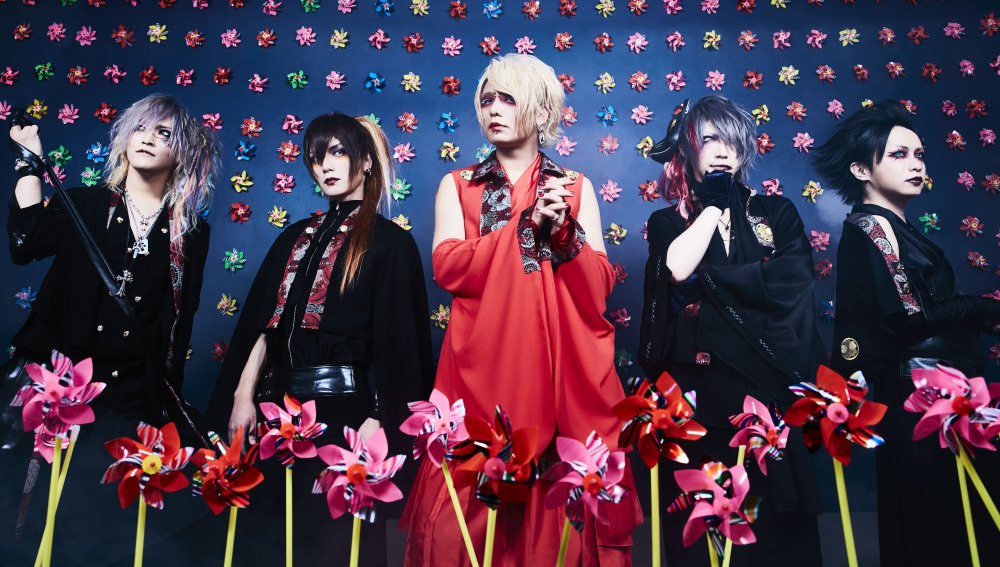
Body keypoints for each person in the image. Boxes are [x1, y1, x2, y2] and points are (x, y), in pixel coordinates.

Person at [403, 53, 641, 566]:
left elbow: (599, 286)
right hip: (479, 363)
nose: (493, 109)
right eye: (487, 99)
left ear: (541, 109)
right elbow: (447, 266)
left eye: (508, 99)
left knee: (561, 516)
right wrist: (524, 227)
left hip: (559, 368)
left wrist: (564, 234)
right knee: (461, 525)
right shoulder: (458, 184)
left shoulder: (574, 186)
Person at [1, 93, 221, 564]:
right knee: (32, 513)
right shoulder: (86, 202)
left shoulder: (190, 233)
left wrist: (163, 402)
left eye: (164, 133)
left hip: (127, 397)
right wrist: (27, 162)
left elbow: (179, 323)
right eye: (141, 127)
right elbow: (25, 242)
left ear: (182, 151)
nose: (148, 138)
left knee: (101, 525)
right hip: (60, 389)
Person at [207, 112, 434, 566]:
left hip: (346, 415)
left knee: (336, 544)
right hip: (276, 413)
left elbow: (404, 347)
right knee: (268, 539)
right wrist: (242, 395)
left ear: (365, 161)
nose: (325, 166)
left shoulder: (391, 243)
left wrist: (378, 418)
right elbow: (264, 327)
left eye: (338, 152)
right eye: (315, 157)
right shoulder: (291, 238)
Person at [813, 100, 1000, 566]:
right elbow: (910, 317)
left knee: (955, 525)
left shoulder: (898, 228)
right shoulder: (872, 225)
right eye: (898, 154)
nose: (916, 164)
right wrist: (983, 309)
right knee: (937, 529)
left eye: (919, 154)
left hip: (942, 395)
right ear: (861, 169)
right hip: (922, 397)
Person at [638, 95, 823, 566]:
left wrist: (712, 284)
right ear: (688, 149)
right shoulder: (667, 222)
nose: (723, 150)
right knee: (702, 527)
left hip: (764, 391)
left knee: (770, 534)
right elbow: (678, 269)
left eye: (733, 141)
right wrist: (712, 209)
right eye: (709, 139)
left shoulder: (776, 213)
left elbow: (792, 280)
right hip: (697, 397)